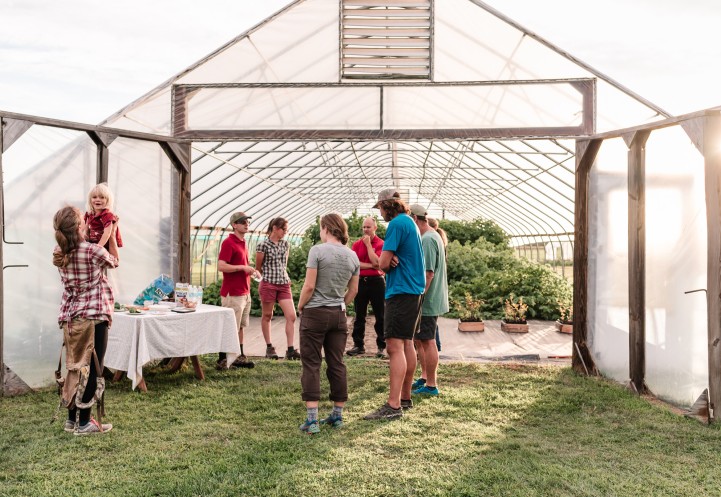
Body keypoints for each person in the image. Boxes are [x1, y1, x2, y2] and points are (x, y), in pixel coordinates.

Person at [53, 205, 119, 435]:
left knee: (75, 366)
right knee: (92, 367)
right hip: (93, 316)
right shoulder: (92, 251)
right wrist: (111, 231)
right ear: (81, 226)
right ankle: (85, 423)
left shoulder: (59, 252)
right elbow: (115, 261)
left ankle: (72, 419)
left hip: (71, 317)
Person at [363, 189, 425, 421]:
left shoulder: (396, 225)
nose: (379, 213)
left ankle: (393, 405)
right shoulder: (409, 222)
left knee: (394, 347)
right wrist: (389, 259)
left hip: (400, 291)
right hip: (414, 291)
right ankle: (405, 398)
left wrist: (386, 261)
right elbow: (389, 260)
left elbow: (383, 263)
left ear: (388, 205)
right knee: (407, 343)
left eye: (380, 208)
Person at [297, 214, 360, 434]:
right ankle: (337, 415)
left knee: (312, 363)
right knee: (337, 362)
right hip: (338, 315)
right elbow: (353, 291)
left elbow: (309, 286)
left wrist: (300, 306)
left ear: (325, 228)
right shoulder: (352, 256)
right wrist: (339, 304)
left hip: (315, 313)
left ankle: (312, 420)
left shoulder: (318, 251)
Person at [409, 205, 449, 396]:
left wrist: (419, 297)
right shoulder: (432, 236)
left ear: (416, 220)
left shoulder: (427, 239)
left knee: (428, 341)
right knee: (421, 340)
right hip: (429, 299)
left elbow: (429, 273)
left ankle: (431, 385)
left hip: (428, 300)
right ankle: (425, 377)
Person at [216, 211, 261, 370]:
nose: (246, 223)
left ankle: (238, 357)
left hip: (244, 292)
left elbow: (242, 266)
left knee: (240, 326)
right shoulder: (229, 243)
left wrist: (252, 271)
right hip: (233, 293)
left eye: (247, 221)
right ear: (234, 225)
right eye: (242, 221)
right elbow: (221, 266)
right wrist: (242, 267)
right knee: (230, 326)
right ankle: (222, 360)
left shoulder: (242, 242)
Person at [255, 217, 300, 360]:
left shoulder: (285, 244)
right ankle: (269, 348)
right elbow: (258, 268)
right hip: (268, 283)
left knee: (291, 316)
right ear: (275, 228)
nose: (286, 232)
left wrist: (283, 277)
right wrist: (263, 283)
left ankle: (290, 350)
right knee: (267, 316)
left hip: (283, 284)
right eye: (284, 229)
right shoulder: (263, 245)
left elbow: (283, 265)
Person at [346, 217, 386, 358]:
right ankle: (358, 345)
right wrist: (371, 265)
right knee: (359, 315)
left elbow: (379, 263)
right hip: (361, 281)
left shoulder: (381, 244)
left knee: (380, 315)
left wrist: (369, 246)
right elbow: (354, 264)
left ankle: (382, 346)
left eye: (368, 227)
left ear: (375, 228)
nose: (365, 230)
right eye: (364, 227)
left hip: (377, 281)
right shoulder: (357, 244)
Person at [426, 217, 448, 353]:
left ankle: (436, 347)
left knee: (429, 335)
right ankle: (436, 346)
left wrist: (420, 294)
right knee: (432, 326)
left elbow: (429, 273)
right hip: (437, 292)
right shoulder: (438, 239)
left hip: (431, 294)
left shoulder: (429, 240)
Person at [84, 183, 123, 252]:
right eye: (94, 197)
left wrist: (98, 247)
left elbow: (107, 234)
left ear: (107, 200)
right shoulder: (90, 214)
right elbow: (86, 229)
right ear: (90, 200)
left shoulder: (107, 215)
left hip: (104, 247)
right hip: (92, 243)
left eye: (102, 197)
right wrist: (85, 241)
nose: (98, 200)